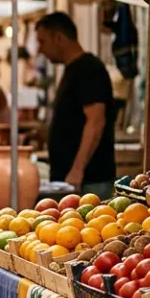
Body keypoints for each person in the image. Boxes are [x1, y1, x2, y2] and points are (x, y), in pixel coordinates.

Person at [35, 11, 116, 199]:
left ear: (59, 38)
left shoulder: (89, 69)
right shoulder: (73, 69)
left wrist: (77, 170)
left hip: (88, 182)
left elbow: (96, 122)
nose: (40, 49)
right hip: (73, 181)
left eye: (42, 41)